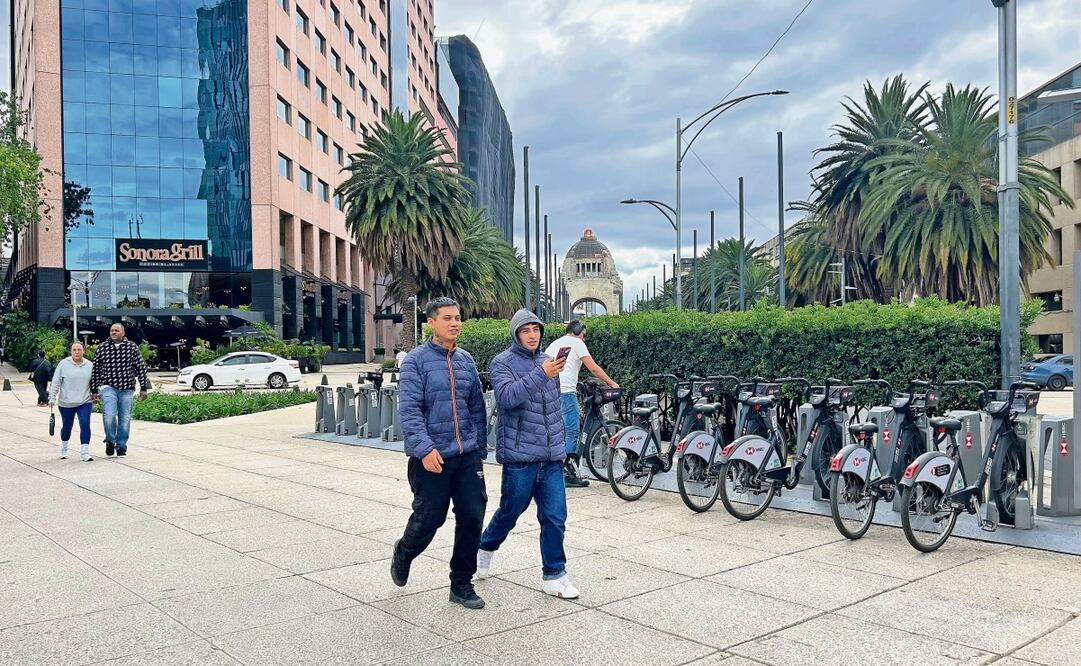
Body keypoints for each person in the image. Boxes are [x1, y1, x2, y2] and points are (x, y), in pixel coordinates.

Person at [391, 297, 489, 609]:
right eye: (447, 318)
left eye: (458, 317)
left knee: (473, 516)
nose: (455, 323)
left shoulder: (466, 361)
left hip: (466, 456)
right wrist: (425, 449)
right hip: (431, 458)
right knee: (430, 519)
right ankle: (405, 550)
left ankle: (461, 582)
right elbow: (409, 411)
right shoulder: (415, 362)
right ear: (431, 322)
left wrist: (478, 449)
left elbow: (476, 407)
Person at [477, 309, 579, 599]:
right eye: (526, 330)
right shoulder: (502, 363)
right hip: (520, 458)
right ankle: (485, 547)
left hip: (550, 458)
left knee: (555, 516)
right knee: (510, 512)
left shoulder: (548, 362)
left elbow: (553, 409)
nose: (532, 335)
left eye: (536, 330)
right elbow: (508, 398)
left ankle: (554, 574)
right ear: (516, 334)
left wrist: (559, 447)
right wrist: (540, 374)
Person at [544, 320, 619, 488]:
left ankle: (555, 471)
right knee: (572, 432)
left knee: (558, 433)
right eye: (584, 335)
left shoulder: (554, 344)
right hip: (566, 393)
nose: (584, 339)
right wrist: (612, 383)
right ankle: (568, 472)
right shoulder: (577, 343)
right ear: (578, 331)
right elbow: (593, 369)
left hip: (550, 392)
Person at [90, 323, 151, 457]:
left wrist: (144, 388)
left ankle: (121, 445)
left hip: (127, 388)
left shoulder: (132, 347)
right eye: (112, 330)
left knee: (125, 418)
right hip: (108, 387)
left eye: (116, 330)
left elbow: (141, 367)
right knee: (109, 415)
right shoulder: (102, 348)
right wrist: (94, 390)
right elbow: (95, 370)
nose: (113, 332)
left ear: (123, 333)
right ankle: (110, 440)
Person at [48, 342, 95, 462]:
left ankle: (84, 452)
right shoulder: (63, 364)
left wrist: (97, 393)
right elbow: (55, 382)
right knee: (67, 426)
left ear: (83, 351)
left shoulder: (89, 365)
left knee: (85, 423)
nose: (77, 352)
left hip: (84, 401)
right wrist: (52, 398)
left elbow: (95, 382)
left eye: (79, 350)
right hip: (66, 402)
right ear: (71, 351)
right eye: (74, 350)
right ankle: (64, 448)